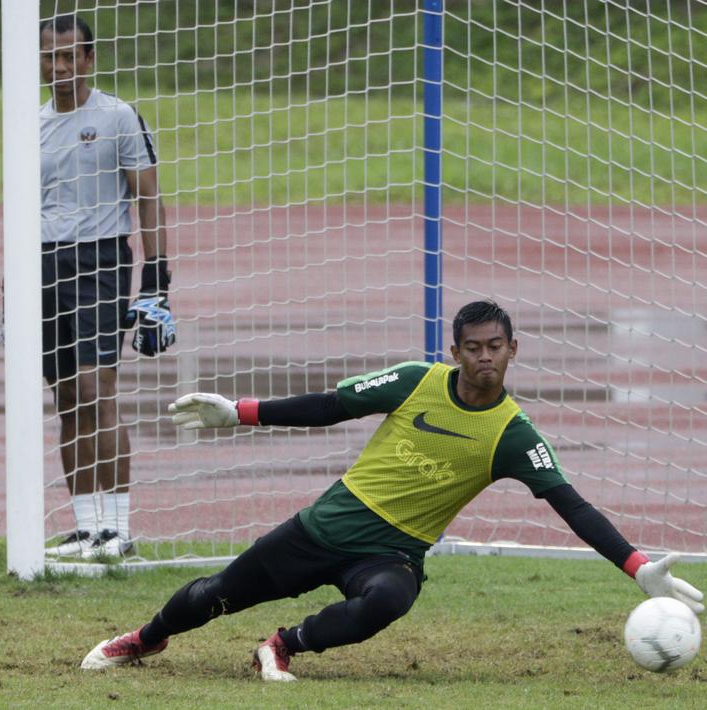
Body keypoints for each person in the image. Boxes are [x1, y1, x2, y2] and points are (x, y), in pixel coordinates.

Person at [80, 300, 704, 680]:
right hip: (323, 528)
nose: (485, 357)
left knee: (387, 601)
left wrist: (637, 566)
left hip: (393, 553)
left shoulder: (514, 436)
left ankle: (281, 645)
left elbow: (573, 506)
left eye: (496, 347)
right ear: (455, 350)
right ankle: (146, 638)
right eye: (473, 348)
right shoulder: (413, 380)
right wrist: (238, 411)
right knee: (215, 594)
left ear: (513, 350)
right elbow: (328, 405)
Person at [39, 14, 176, 560]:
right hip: (44, 265)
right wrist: (12, 293)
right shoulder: (30, 124)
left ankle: (119, 529)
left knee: (99, 390)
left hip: (100, 261)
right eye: (52, 56)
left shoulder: (118, 117)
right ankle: (85, 528)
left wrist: (156, 280)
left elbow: (148, 198)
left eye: (72, 55)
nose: (62, 65)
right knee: (66, 396)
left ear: (90, 60)